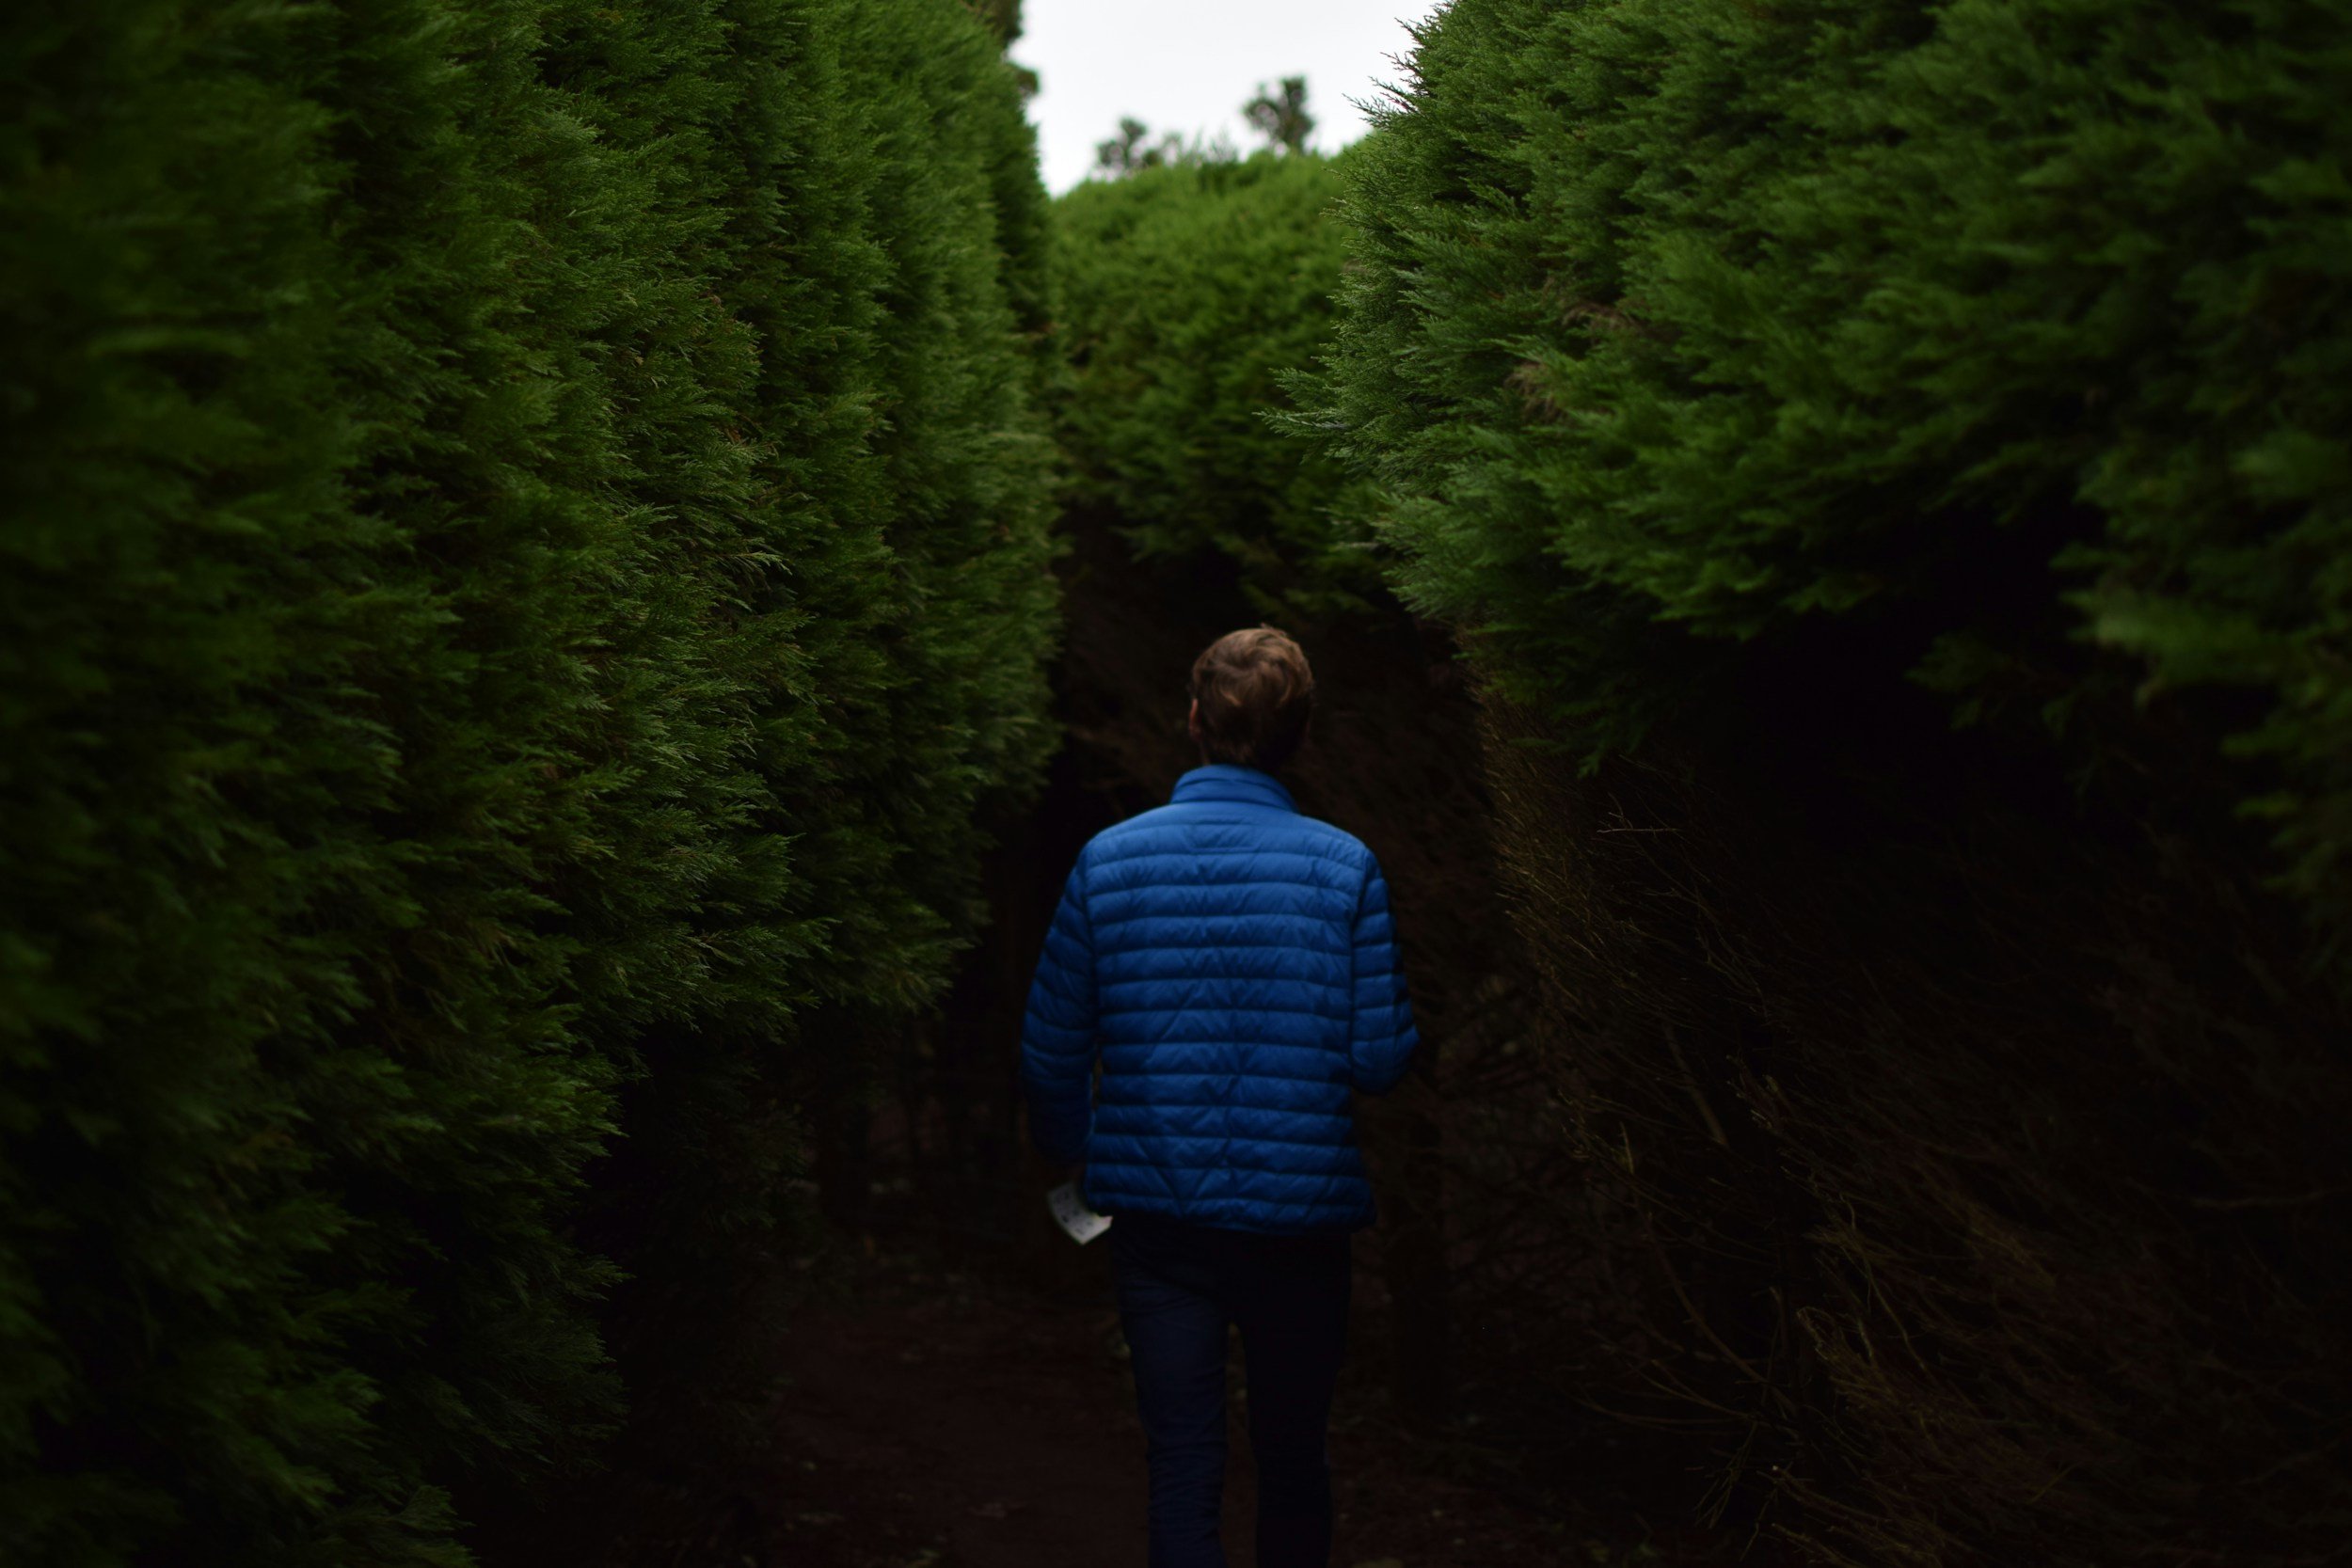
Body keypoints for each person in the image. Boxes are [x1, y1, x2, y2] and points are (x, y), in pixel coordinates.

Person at [1018, 626, 1421, 1568]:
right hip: (1300, 1225)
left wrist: (1074, 1157)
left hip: (1157, 1221)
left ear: (1194, 720)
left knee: (1183, 1460)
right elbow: (1379, 1061)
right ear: (1303, 735)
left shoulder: (1107, 861)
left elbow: (1051, 1049)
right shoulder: (1344, 866)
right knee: (1292, 1460)